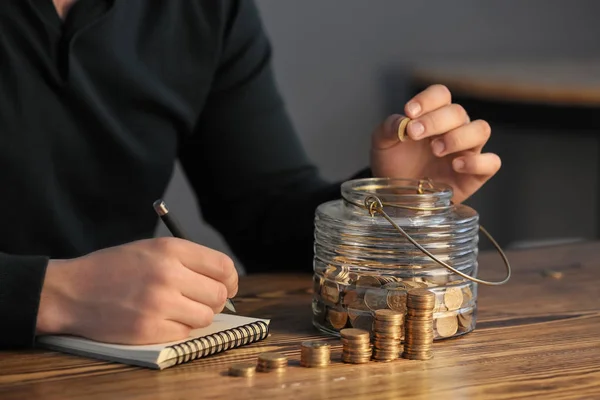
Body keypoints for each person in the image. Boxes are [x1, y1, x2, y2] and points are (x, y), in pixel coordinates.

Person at [0, 0, 500, 349]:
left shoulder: (203, 10)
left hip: (117, 372)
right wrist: (49, 294)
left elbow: (265, 212)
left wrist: (382, 202)